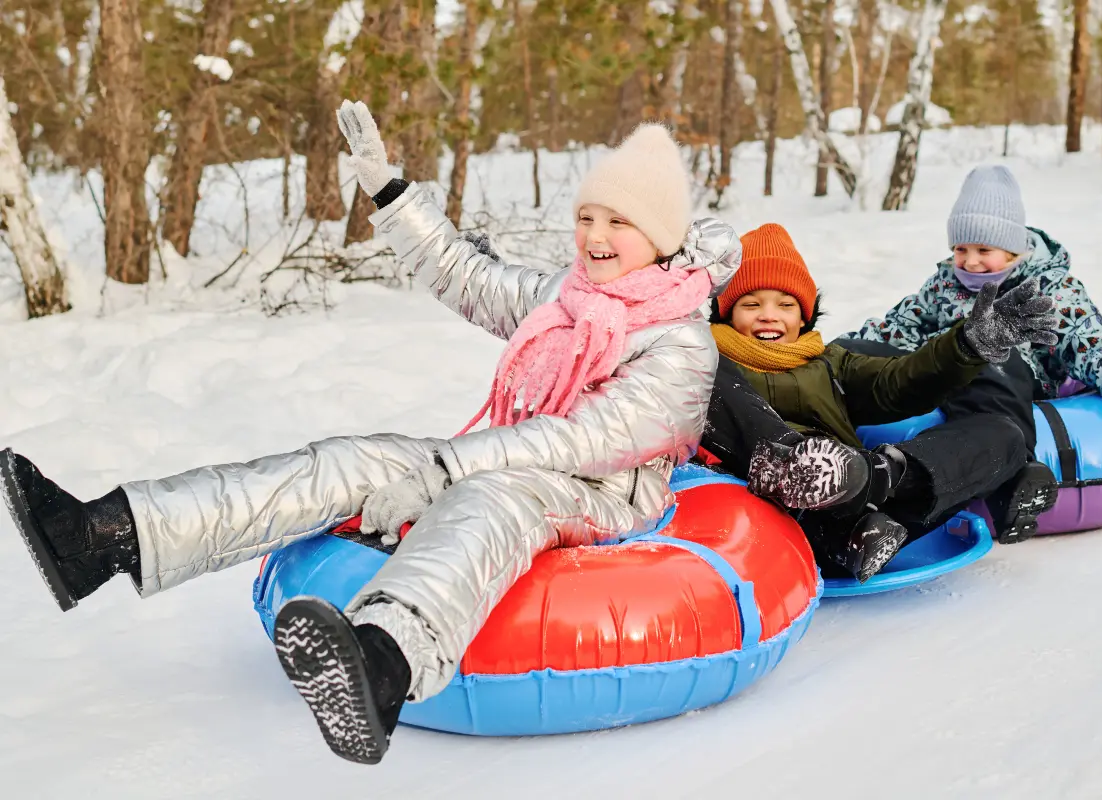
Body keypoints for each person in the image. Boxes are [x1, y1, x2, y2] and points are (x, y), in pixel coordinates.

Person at [0, 106, 740, 765]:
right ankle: (100, 537)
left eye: (620, 223)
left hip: (602, 495)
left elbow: (584, 440)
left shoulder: (678, 343)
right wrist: (392, 194)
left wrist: (449, 469)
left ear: (661, 236)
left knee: (490, 503)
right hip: (509, 455)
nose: (596, 237)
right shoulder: (568, 297)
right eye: (588, 217)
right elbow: (467, 276)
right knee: (354, 459)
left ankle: (382, 667)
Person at [699, 223, 1059, 582]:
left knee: (1003, 434)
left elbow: (900, 381)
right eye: (751, 304)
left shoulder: (830, 363)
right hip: (778, 518)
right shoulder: (712, 365)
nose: (769, 314)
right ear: (727, 313)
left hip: (874, 522)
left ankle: (878, 480)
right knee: (714, 383)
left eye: (786, 304)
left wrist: (966, 346)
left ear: (804, 315)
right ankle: (824, 494)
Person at [841, 165, 1102, 470]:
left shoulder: (1049, 288)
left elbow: (1089, 340)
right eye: (960, 249)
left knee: (991, 351)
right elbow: (901, 326)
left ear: (1012, 249)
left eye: (984, 250)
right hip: (946, 378)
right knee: (856, 350)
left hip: (1009, 385)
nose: (970, 261)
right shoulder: (946, 282)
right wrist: (846, 354)